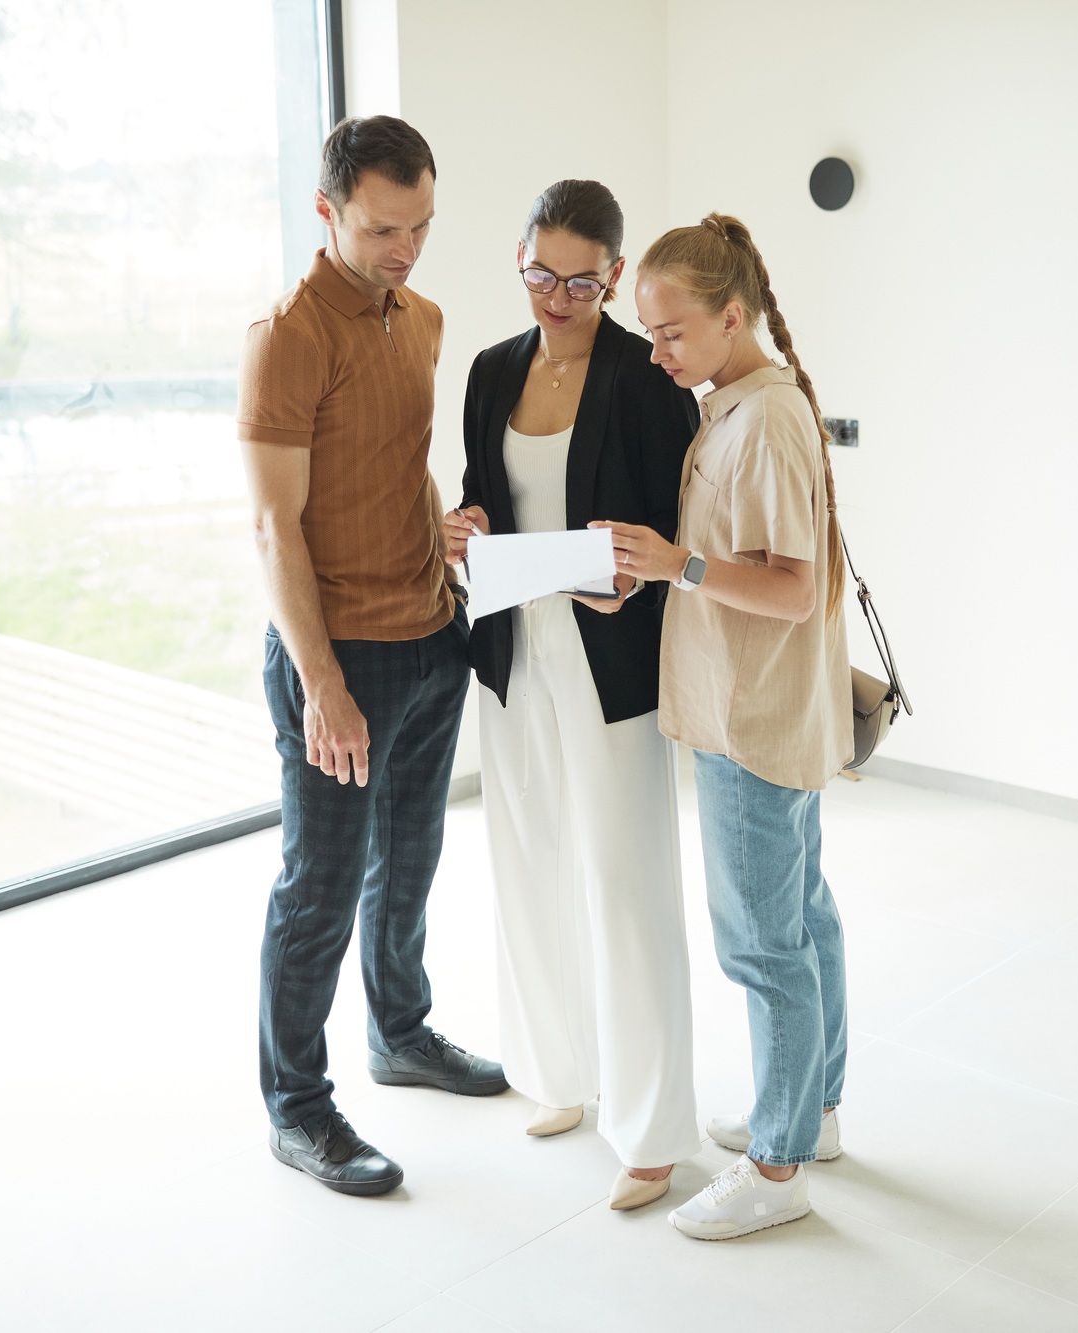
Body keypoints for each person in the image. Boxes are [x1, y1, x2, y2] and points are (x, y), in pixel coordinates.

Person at [237, 115, 505, 1198]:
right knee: (320, 888)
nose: (406, 246)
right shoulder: (289, 334)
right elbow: (272, 527)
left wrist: (441, 521)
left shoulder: (425, 319)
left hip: (431, 634)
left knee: (410, 861)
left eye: (422, 224)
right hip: (339, 654)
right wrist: (323, 684)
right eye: (384, 227)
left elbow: (394, 463)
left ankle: (401, 1032)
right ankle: (298, 1107)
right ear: (328, 211)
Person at [441, 180, 702, 1213]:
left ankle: (648, 1130)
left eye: (581, 282)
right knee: (530, 862)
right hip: (512, 646)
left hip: (610, 655)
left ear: (616, 276)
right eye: (540, 274)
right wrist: (464, 523)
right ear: (519, 256)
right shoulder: (489, 368)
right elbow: (481, 491)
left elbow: (675, 524)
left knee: (625, 885)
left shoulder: (646, 379)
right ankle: (558, 1073)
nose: (556, 296)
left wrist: (635, 575)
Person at [596, 213, 854, 1240]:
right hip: (753, 710)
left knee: (762, 945)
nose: (654, 353)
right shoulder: (739, 401)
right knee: (805, 917)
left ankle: (779, 1162)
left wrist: (677, 566)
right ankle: (813, 1108)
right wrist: (660, 575)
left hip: (751, 721)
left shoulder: (763, 420)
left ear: (730, 316)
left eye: (669, 334)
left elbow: (789, 592)